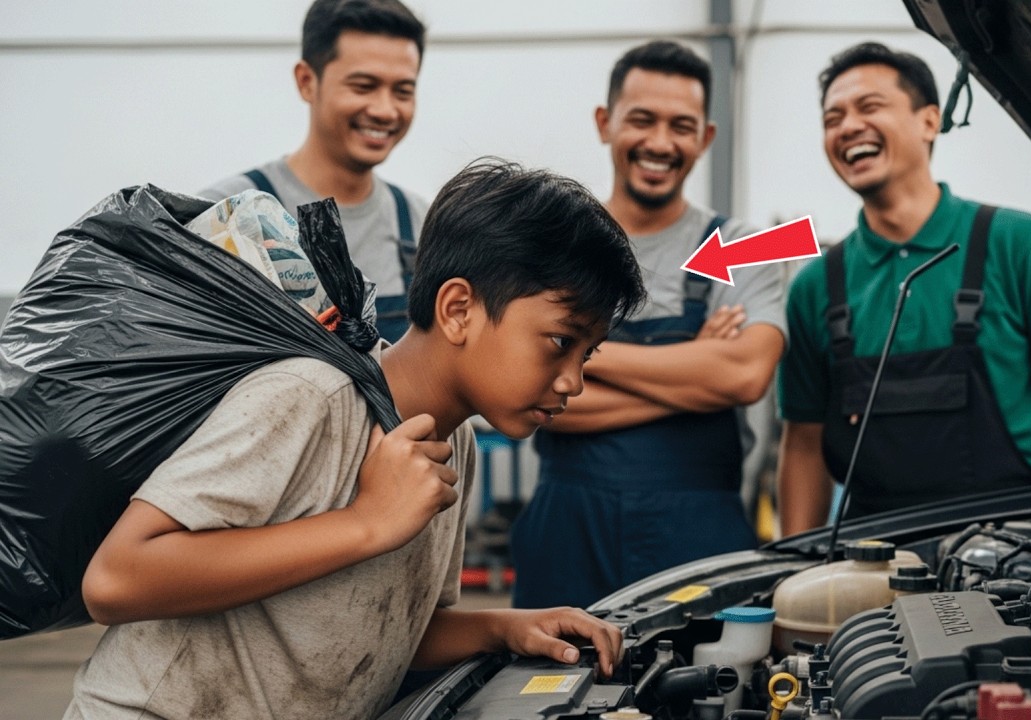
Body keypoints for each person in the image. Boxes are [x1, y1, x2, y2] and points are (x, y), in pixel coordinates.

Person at [66, 159, 644, 719]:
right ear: (459, 309)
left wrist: (505, 627)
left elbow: (387, 631)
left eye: (587, 353)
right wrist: (366, 522)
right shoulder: (312, 396)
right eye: (559, 342)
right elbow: (116, 580)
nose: (574, 380)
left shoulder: (453, 443)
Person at [777, 42, 1031, 534]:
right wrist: (798, 566)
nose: (848, 126)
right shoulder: (814, 287)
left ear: (929, 122)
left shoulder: (1020, 244)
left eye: (869, 107)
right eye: (833, 118)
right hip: (869, 557)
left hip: (1017, 548)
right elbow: (803, 443)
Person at [511, 40, 787, 610]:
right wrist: (695, 375)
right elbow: (526, 390)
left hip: (700, 532)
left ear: (705, 138)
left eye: (681, 126)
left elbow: (745, 376)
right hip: (567, 531)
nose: (661, 143)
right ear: (605, 123)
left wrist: (577, 350)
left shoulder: (747, 246)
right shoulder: (554, 244)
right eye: (642, 120)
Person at [201, 0, 429, 341]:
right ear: (307, 81)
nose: (385, 110)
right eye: (363, 86)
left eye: (403, 91)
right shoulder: (225, 217)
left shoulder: (423, 225)